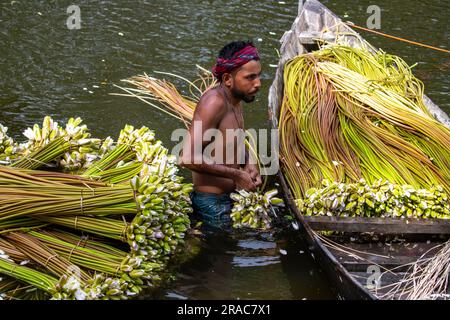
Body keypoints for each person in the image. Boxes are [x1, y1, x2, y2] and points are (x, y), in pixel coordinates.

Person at [180, 41, 263, 230]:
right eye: (250, 77)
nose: (257, 83)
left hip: (230, 198)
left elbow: (234, 141)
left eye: (258, 76)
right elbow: (187, 158)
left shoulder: (237, 99)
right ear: (227, 79)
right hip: (211, 203)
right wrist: (236, 175)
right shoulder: (214, 103)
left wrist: (249, 163)